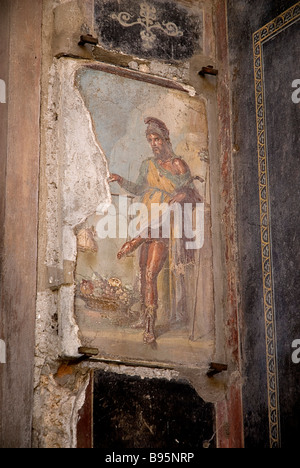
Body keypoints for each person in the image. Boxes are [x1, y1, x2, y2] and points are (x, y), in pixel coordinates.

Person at [109, 117, 201, 345]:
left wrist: (180, 197)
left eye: (157, 139)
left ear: (165, 139)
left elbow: (191, 193)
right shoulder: (147, 165)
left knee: (151, 273)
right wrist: (121, 180)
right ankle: (143, 316)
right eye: (150, 140)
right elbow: (140, 188)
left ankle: (150, 326)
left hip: (166, 222)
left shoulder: (178, 164)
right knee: (142, 271)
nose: (153, 144)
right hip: (147, 217)